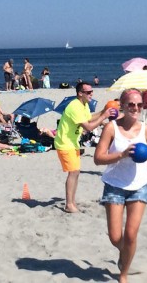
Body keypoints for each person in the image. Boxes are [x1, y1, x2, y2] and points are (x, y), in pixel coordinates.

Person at [94, 88, 147, 283]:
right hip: (114, 185)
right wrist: (121, 154)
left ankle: (123, 274)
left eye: (139, 104)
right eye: (131, 104)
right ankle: (126, 252)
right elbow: (98, 158)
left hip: (139, 185)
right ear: (122, 105)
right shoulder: (111, 128)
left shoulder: (146, 129)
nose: (135, 108)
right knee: (115, 237)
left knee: (130, 235)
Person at [54, 82, 116, 213]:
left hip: (73, 143)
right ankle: (69, 204)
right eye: (88, 92)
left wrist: (103, 112)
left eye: (92, 91)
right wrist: (104, 116)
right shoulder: (74, 106)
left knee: (76, 173)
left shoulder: (84, 105)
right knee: (74, 172)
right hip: (65, 143)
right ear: (80, 93)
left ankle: (71, 201)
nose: (91, 94)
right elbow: (88, 127)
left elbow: (89, 118)